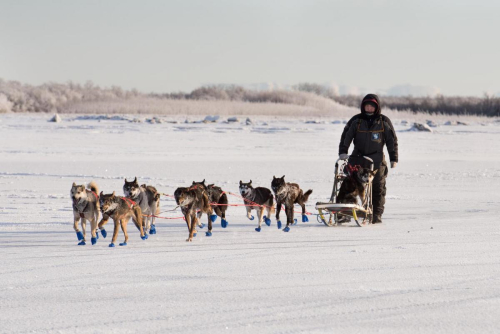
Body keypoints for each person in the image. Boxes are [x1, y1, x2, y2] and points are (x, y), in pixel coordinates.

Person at [338, 94, 398, 224]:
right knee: (349, 185)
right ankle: (345, 212)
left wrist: (394, 158)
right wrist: (343, 152)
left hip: (376, 162)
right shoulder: (356, 120)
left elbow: (391, 140)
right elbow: (346, 136)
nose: (369, 108)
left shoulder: (383, 121)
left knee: (378, 188)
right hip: (357, 160)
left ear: (377, 107)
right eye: (367, 106)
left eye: (372, 106)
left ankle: (376, 214)